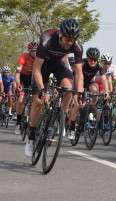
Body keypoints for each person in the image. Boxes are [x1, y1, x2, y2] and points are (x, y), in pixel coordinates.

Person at [25, 18, 84, 157]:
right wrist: (42, 89)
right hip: (43, 65)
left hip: (59, 64)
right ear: (60, 34)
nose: (69, 42)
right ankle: (32, 138)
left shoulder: (77, 47)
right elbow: (37, 69)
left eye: (73, 40)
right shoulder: (47, 39)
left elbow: (79, 74)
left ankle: (59, 117)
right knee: (38, 101)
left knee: (68, 88)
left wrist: (79, 94)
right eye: (66, 38)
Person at [68, 47, 109, 140]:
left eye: (95, 59)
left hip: (89, 81)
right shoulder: (82, 63)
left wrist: (106, 91)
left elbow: (104, 79)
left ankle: (91, 109)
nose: (93, 61)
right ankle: (72, 127)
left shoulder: (100, 65)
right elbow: (78, 78)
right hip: (78, 81)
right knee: (77, 105)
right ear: (87, 58)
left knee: (95, 90)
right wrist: (79, 93)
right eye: (91, 59)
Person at [14, 42, 38, 135]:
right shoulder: (23, 57)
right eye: (33, 51)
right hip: (24, 78)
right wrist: (18, 84)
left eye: (36, 51)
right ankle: (19, 123)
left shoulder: (39, 59)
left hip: (33, 79)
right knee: (20, 100)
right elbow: (17, 74)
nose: (35, 53)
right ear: (29, 51)